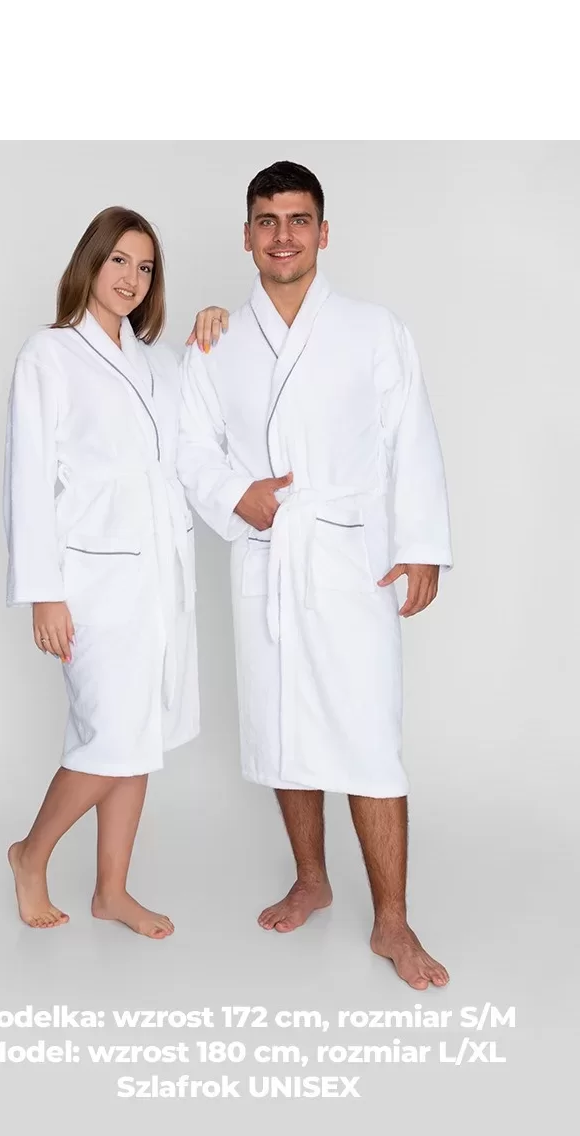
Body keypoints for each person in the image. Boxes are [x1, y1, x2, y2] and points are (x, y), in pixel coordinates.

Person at [177, 161, 454, 989]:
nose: (283, 235)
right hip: (270, 556)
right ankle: (312, 878)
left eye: (298, 219)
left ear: (323, 232)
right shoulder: (217, 341)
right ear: (247, 235)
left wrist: (423, 544)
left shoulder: (373, 328)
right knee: (282, 728)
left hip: (352, 559)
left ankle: (393, 921)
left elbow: (411, 436)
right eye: (267, 220)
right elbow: (189, 447)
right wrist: (237, 496)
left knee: (368, 740)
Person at [3, 207, 199, 939]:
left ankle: (112, 890)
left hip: (159, 577)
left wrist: (219, 324)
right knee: (110, 736)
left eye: (145, 267)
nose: (131, 278)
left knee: (138, 735)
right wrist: (43, 593)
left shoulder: (160, 363)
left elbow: (210, 407)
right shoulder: (50, 355)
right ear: (91, 262)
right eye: (119, 260)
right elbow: (27, 479)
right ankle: (30, 854)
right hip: (92, 583)